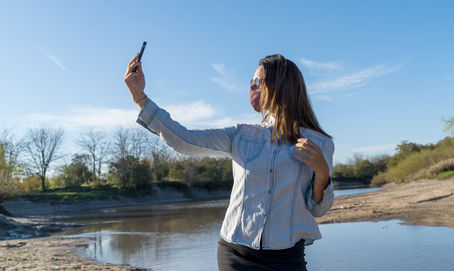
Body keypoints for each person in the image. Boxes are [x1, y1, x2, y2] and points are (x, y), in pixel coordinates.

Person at [124, 53, 335, 271]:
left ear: (280, 86)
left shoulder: (320, 143)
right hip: (236, 253)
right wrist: (140, 98)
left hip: (287, 258)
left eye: (257, 82)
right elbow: (184, 140)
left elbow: (319, 210)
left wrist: (322, 173)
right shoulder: (240, 135)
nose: (251, 87)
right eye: (251, 82)